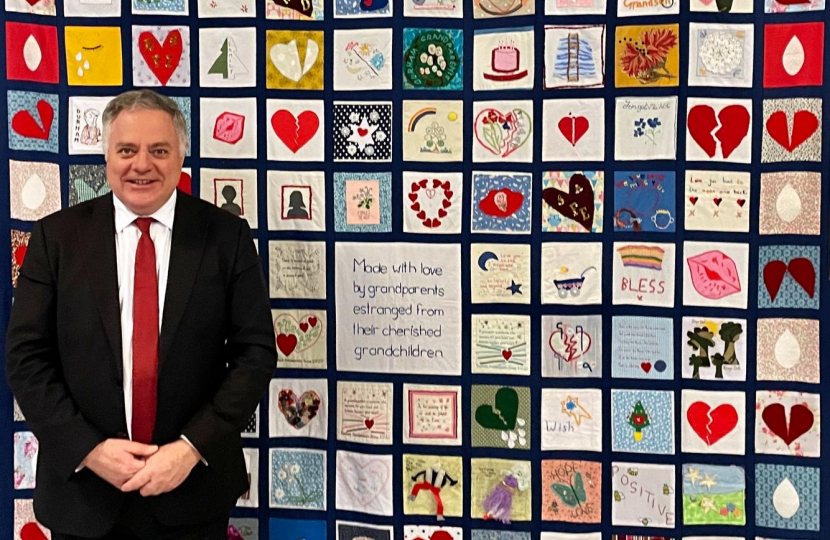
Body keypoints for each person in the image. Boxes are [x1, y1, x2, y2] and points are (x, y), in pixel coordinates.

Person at [6, 89, 277, 540]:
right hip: (83, 496)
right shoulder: (56, 239)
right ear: (107, 156)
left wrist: (191, 449)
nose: (142, 164)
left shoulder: (226, 237)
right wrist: (89, 450)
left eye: (159, 150)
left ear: (180, 157)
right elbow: (26, 358)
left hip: (192, 490)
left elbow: (255, 355)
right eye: (127, 150)